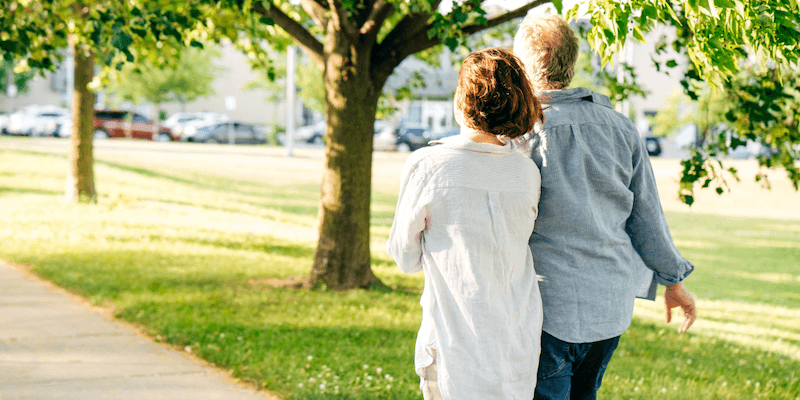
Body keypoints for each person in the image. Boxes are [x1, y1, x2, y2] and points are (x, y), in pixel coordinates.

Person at [512, 13, 698, 400]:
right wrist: (673, 280)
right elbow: (647, 216)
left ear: (524, 65)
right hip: (609, 307)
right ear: (572, 62)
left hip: (548, 310)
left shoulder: (521, 134)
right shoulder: (622, 128)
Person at [387, 47, 545, 400]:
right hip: (515, 347)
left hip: (452, 348)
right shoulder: (527, 172)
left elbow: (404, 256)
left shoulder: (427, 165)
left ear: (463, 99)